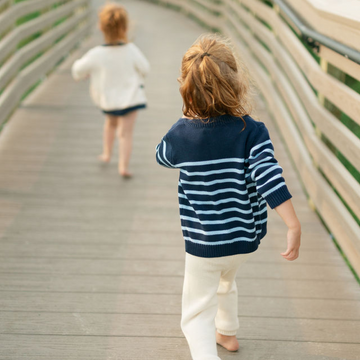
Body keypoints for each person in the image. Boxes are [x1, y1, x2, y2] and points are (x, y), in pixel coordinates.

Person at [156, 34, 301, 360]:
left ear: (186, 86)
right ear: (236, 82)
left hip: (204, 244)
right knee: (225, 282)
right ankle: (228, 332)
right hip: (242, 241)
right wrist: (292, 224)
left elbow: (161, 156)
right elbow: (268, 176)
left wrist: (185, 124)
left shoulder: (181, 135)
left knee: (195, 314)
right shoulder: (252, 132)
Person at [72, 3, 150, 177]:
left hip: (109, 100)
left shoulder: (96, 54)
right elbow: (145, 68)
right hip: (131, 98)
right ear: (125, 27)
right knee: (125, 134)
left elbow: (77, 69)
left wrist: (83, 74)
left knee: (110, 124)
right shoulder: (131, 50)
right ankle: (123, 166)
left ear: (100, 27)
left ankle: (107, 154)